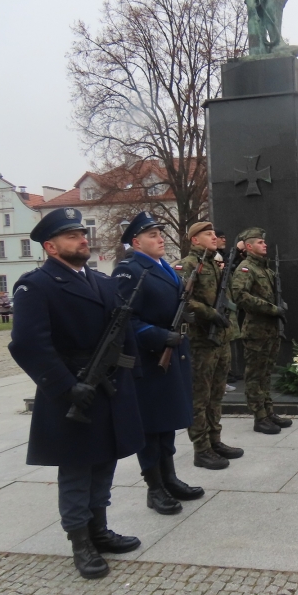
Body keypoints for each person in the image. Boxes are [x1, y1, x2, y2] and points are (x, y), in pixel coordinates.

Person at [8, 208, 144, 579]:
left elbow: (123, 332)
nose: (83, 240)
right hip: (72, 388)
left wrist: (132, 376)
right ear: (51, 247)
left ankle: (99, 529)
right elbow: (28, 344)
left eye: (82, 234)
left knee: (105, 460)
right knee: (77, 469)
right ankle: (80, 541)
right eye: (72, 236)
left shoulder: (101, 281)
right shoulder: (35, 285)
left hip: (108, 386)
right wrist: (66, 387)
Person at [113, 212, 203, 515]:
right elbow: (125, 319)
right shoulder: (129, 270)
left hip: (173, 355)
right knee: (151, 427)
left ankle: (170, 479)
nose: (160, 239)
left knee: (167, 422)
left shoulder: (163, 267)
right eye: (152, 235)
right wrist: (159, 335)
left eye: (160, 233)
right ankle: (155, 488)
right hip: (150, 359)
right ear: (136, 242)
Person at [177, 222, 243, 469]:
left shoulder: (215, 264)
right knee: (200, 397)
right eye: (208, 234)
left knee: (216, 394)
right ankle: (201, 449)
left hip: (220, 340)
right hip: (201, 341)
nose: (214, 237)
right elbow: (183, 299)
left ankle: (215, 440)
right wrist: (210, 313)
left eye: (215, 233)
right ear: (195, 239)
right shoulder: (187, 265)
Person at [231, 227, 293, 434]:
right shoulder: (246, 268)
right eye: (260, 242)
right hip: (256, 331)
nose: (264, 244)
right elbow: (240, 296)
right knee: (255, 375)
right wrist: (272, 309)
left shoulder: (265, 269)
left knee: (266, 374)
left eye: (264, 242)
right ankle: (259, 417)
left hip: (271, 330)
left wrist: (279, 307)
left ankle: (268, 412)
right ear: (249, 247)